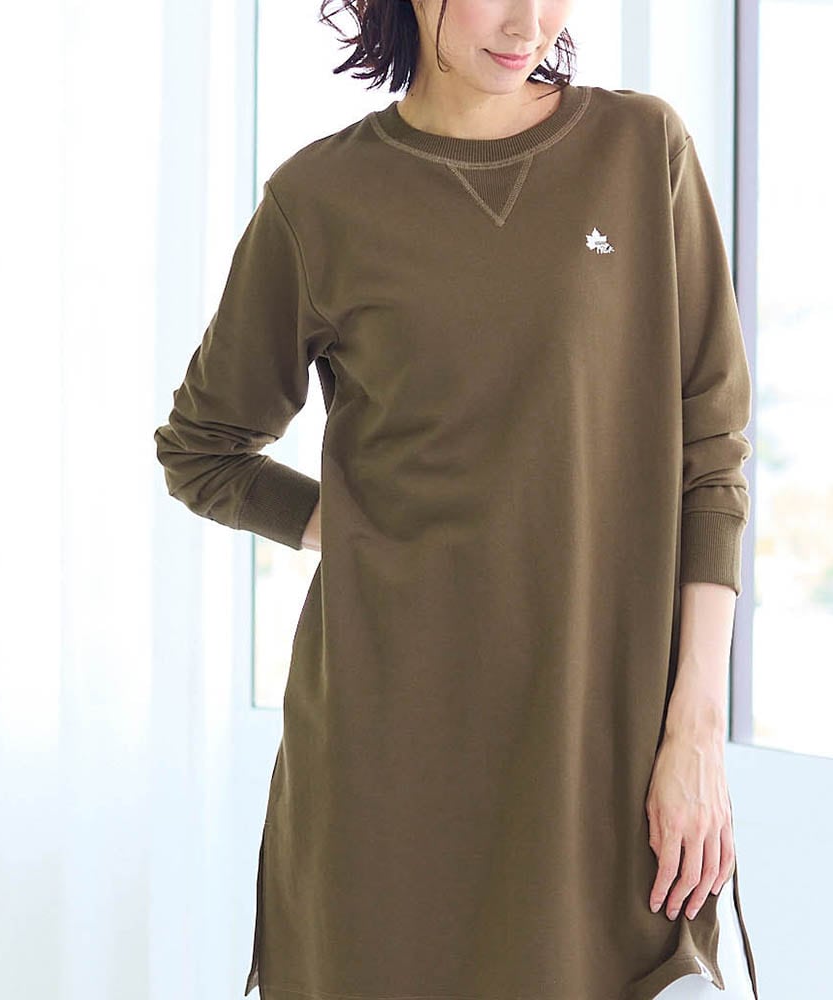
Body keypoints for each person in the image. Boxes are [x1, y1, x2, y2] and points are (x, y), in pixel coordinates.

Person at [153, 2, 760, 999]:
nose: (529, 20)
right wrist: (362, 530)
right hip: (388, 760)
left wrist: (695, 728)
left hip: (596, 747)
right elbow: (202, 449)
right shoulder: (321, 199)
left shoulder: (640, 149)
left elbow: (712, 459)